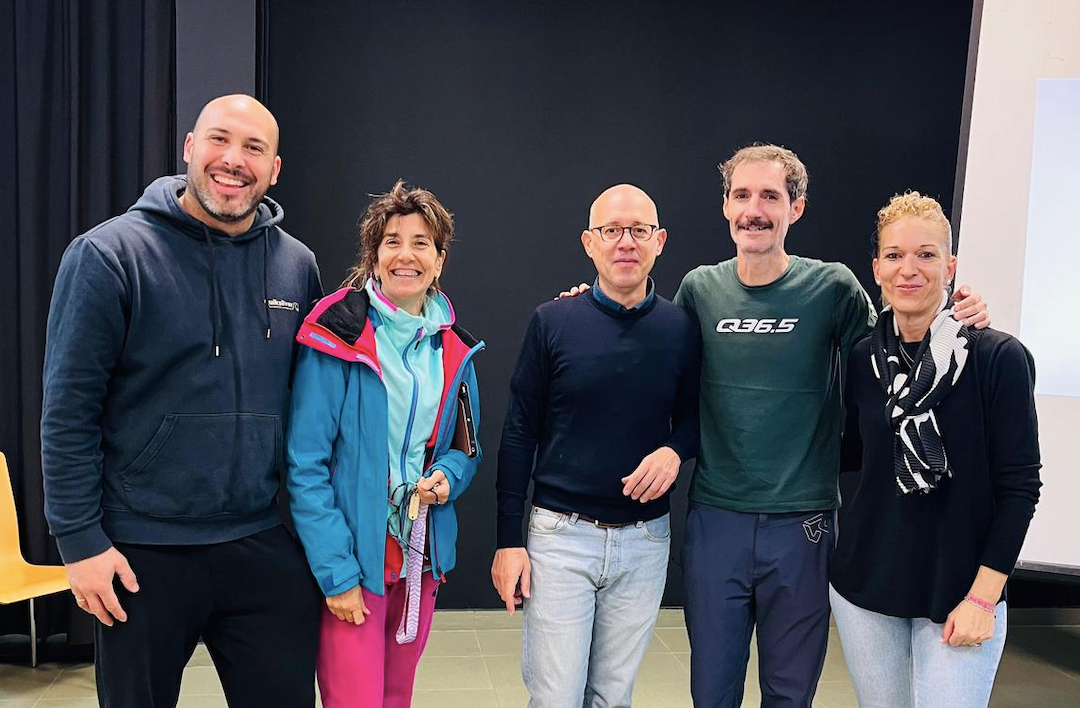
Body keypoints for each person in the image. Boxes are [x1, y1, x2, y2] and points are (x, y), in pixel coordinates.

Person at [671, 144, 991, 708]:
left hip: (804, 522)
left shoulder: (833, 288)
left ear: (795, 207)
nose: (754, 210)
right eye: (742, 195)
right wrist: (588, 306)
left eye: (770, 196)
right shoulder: (700, 289)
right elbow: (656, 359)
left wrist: (959, 314)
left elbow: (897, 353)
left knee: (791, 693)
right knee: (711, 692)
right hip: (717, 517)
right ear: (725, 206)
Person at [40, 94, 324, 707]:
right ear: (190, 147)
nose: (234, 160)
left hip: (260, 540)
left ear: (275, 169)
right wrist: (80, 542)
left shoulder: (296, 266)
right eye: (219, 139)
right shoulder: (109, 255)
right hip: (141, 550)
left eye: (254, 148)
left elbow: (315, 405)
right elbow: (68, 413)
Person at [829, 192, 1041, 708]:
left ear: (950, 267)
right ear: (876, 269)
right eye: (895, 255)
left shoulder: (998, 358)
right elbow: (855, 460)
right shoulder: (863, 358)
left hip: (961, 591)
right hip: (867, 587)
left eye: (926, 254)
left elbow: (1020, 488)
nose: (909, 269)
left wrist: (984, 598)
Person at [493, 184, 701, 707]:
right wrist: (508, 540)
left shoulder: (680, 328)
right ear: (589, 243)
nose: (626, 242)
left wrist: (674, 450)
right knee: (556, 697)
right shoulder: (552, 322)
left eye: (639, 230)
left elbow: (697, 417)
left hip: (645, 542)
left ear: (660, 241)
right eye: (611, 230)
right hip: (561, 538)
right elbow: (518, 432)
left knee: (612, 696)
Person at [285, 180, 483, 708]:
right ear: (373, 256)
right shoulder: (336, 334)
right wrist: (337, 573)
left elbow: (466, 449)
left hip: (420, 558)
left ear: (439, 261)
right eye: (392, 241)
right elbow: (306, 465)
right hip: (355, 560)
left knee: (397, 698)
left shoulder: (454, 349)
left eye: (421, 243)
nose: (406, 255)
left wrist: (448, 477)